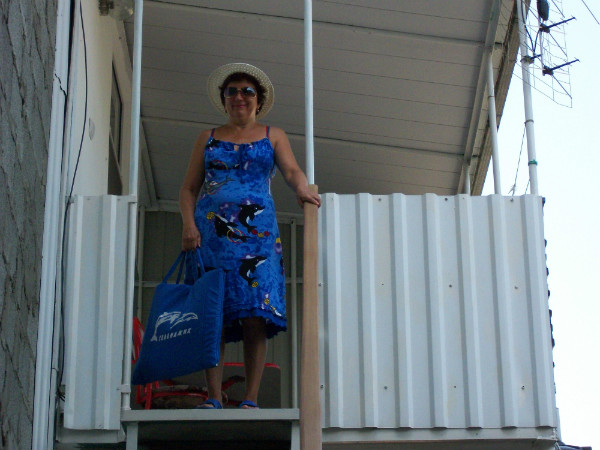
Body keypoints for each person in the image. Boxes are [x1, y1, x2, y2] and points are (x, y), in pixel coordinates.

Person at [179, 63, 320, 409]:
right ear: (224, 99)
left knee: (256, 312)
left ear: (259, 100)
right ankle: (214, 396)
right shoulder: (207, 137)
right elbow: (189, 188)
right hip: (212, 237)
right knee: (213, 310)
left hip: (258, 237)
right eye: (232, 91)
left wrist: (302, 189)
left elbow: (291, 170)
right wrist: (188, 225)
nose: (239, 96)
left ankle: (251, 398)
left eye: (247, 91)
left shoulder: (273, 135)